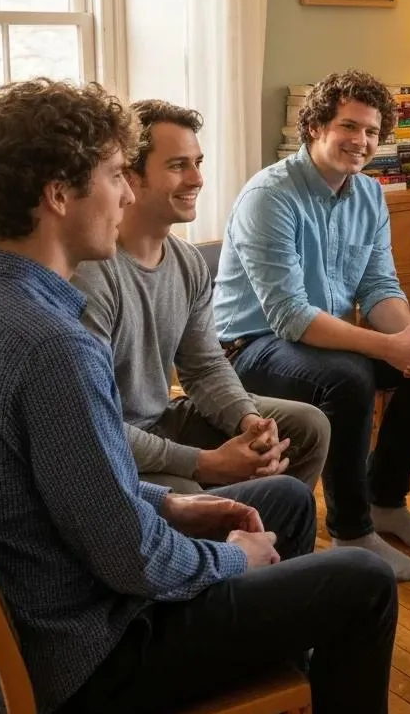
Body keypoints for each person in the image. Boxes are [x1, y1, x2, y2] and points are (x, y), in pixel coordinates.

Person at [0, 79, 396, 714]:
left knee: (286, 500)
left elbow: (77, 487)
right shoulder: (51, 346)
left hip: (51, 601)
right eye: (112, 175)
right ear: (58, 195)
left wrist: (177, 502)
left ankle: (270, 686)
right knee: (364, 583)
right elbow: (133, 559)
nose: (128, 192)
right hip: (93, 652)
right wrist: (228, 557)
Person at [214, 69, 410, 582]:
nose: (361, 141)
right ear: (316, 126)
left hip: (320, 340)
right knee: (348, 378)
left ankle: (387, 500)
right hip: (248, 346)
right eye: (349, 126)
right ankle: (351, 528)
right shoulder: (270, 196)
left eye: (371, 131)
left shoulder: (368, 195)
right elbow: (290, 317)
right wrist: (386, 348)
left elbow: (378, 286)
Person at [72, 100, 330, 495]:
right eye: (178, 165)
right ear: (130, 176)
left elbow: (205, 366)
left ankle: (263, 542)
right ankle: (233, 542)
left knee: (306, 427)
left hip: (163, 419)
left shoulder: (187, 261)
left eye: (198, 162)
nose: (197, 179)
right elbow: (91, 422)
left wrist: (248, 421)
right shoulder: (91, 272)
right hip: (114, 442)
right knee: (189, 495)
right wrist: (207, 462)